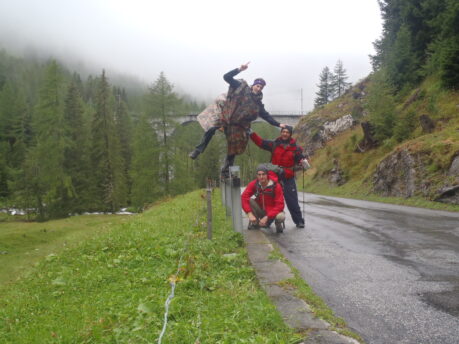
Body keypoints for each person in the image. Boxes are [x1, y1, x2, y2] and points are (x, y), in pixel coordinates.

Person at [189, 62, 287, 175]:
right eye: (257, 85)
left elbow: (265, 115)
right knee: (211, 128)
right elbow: (226, 77)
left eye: (261, 87)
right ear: (253, 85)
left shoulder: (257, 103)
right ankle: (198, 150)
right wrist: (239, 69)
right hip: (226, 113)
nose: (258, 88)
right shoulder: (241, 86)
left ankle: (226, 169)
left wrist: (278, 124)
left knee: (234, 145)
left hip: (237, 124)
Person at [249, 126, 310, 228]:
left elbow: (301, 158)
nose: (285, 134)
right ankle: (268, 221)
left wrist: (304, 162)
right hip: (273, 177)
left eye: (287, 132)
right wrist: (251, 134)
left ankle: (299, 221)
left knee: (292, 201)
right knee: (270, 200)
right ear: (281, 133)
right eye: (283, 132)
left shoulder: (296, 149)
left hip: (288, 177)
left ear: (290, 134)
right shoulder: (274, 144)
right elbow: (260, 142)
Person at [241, 164, 286, 233]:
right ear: (257, 175)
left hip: (273, 212)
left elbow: (280, 205)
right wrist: (249, 213)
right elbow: (244, 197)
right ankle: (255, 223)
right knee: (249, 200)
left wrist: (267, 217)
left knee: (281, 216)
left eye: (263, 174)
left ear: (267, 174)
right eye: (259, 174)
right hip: (261, 210)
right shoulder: (254, 184)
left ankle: (277, 223)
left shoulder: (276, 186)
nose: (261, 177)